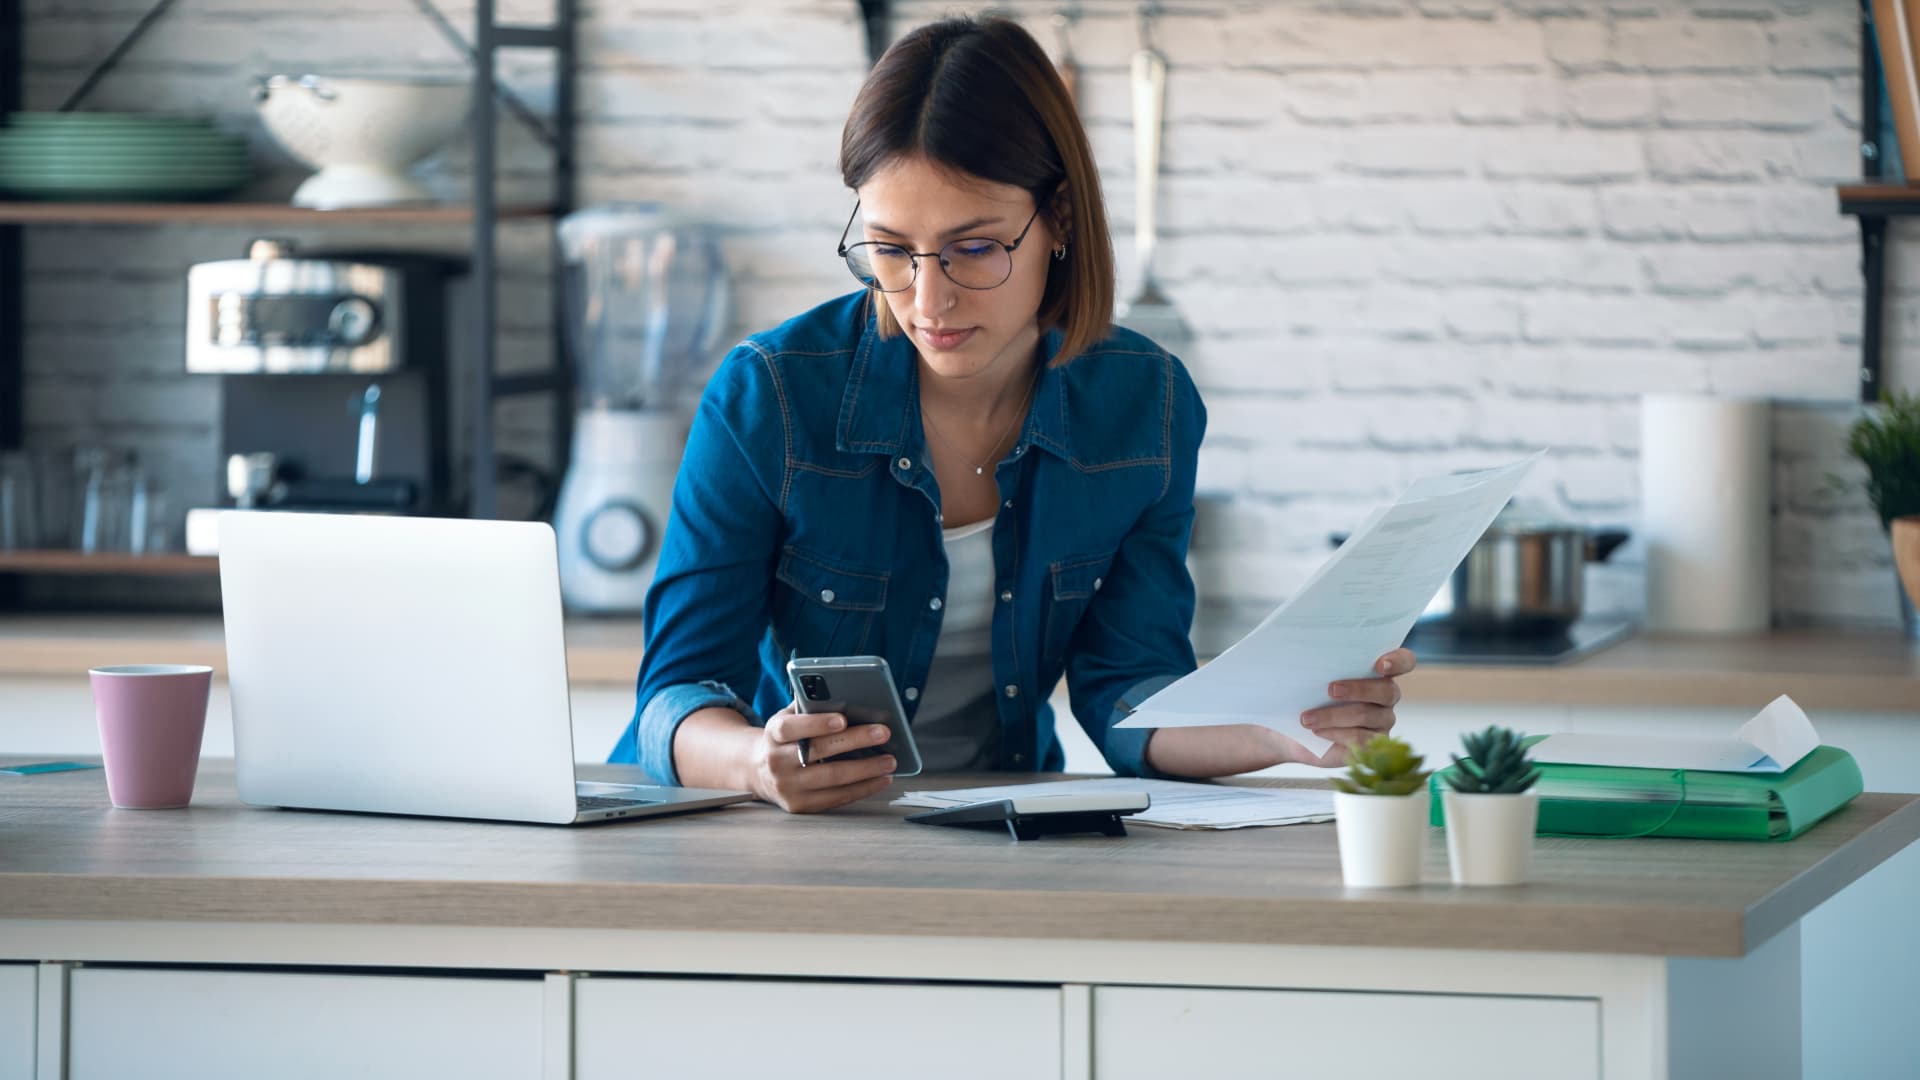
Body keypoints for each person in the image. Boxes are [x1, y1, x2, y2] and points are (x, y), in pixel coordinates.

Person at [610, 14, 1413, 812]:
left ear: (1058, 219)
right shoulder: (770, 397)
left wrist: (1279, 728)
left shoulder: (1145, 403)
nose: (929, 300)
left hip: (1002, 824)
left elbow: (1127, 694)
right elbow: (676, 695)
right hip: (763, 833)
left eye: (975, 248)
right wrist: (757, 761)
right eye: (890, 249)